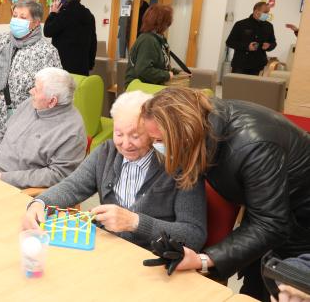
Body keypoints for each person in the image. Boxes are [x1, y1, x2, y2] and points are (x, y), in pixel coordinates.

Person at [140, 87, 310, 301]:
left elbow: (270, 223)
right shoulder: (204, 129)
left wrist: (204, 260)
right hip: (271, 209)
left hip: (301, 221)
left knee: (283, 289)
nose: (156, 146)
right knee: (253, 284)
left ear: (183, 132)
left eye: (159, 140)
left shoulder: (253, 146)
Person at [22, 90, 207, 251]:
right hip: (106, 251)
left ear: (153, 132)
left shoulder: (180, 164)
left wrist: (135, 222)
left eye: (135, 135)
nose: (125, 144)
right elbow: (72, 186)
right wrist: (39, 203)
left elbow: (194, 235)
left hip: (149, 259)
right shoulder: (106, 153)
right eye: (118, 134)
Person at [0, 68, 86, 188]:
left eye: (36, 89)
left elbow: (57, 175)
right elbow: (3, 135)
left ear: (52, 101)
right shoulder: (31, 103)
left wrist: (3, 178)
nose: (31, 91)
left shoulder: (72, 133)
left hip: (15, 190)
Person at [0, 0, 61, 141]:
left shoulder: (46, 51)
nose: (16, 20)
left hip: (22, 125)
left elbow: (54, 90)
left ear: (35, 23)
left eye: (23, 17)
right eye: (15, 15)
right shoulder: (2, 40)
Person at [43, 0, 96, 76]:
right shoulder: (88, 14)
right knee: (79, 89)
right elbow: (93, 41)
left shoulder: (64, 14)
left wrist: (53, 13)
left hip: (63, 66)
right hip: (82, 65)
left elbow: (47, 31)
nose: (59, 1)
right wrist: (90, 63)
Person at [124, 4, 181, 88]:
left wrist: (175, 72)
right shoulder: (148, 40)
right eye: (167, 23)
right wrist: (167, 75)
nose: (168, 26)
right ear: (161, 23)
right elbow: (144, 70)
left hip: (149, 87)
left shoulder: (158, 39)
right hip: (139, 90)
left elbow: (159, 66)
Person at [226, 2, 277, 75]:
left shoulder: (269, 26)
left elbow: (273, 42)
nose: (267, 15)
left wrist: (269, 46)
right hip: (240, 64)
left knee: (253, 86)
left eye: (268, 12)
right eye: (265, 12)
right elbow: (229, 42)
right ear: (256, 11)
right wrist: (247, 46)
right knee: (237, 86)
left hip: (258, 65)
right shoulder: (240, 24)